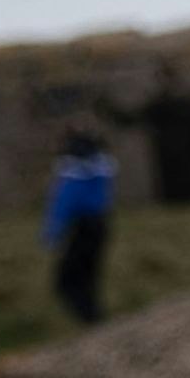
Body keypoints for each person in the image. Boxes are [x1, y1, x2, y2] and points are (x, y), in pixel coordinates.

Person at [41, 125, 116, 325]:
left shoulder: (73, 174)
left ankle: (91, 321)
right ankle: (96, 318)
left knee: (65, 281)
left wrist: (52, 232)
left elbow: (64, 203)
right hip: (101, 225)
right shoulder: (102, 170)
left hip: (81, 227)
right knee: (89, 277)